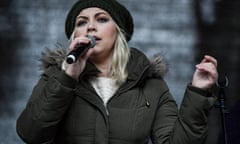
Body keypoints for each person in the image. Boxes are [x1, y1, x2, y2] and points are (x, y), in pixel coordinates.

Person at [16, 0, 218, 144]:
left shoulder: (150, 85)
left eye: (102, 19)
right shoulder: (56, 76)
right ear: (74, 36)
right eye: (81, 22)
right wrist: (67, 78)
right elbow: (31, 134)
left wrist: (198, 92)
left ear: (119, 32)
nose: (91, 27)